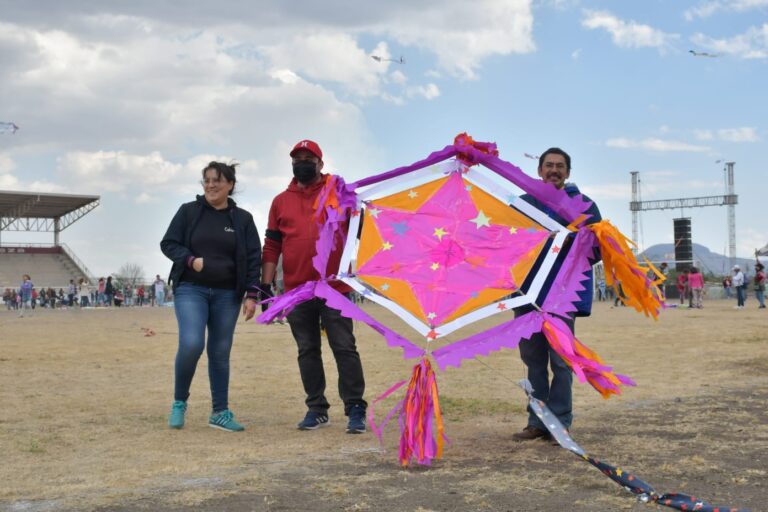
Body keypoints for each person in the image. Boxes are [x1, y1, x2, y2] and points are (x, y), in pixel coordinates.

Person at [261, 139, 367, 434]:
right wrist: (265, 286)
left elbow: (363, 228)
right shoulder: (280, 202)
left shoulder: (339, 193)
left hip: (336, 288)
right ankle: (316, 408)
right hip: (297, 290)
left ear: (320, 163)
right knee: (307, 349)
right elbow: (271, 246)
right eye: (298, 158)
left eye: (309, 158)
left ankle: (355, 407)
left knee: (344, 347)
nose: (302, 162)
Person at [160, 161, 263, 432]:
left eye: (217, 180)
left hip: (227, 293)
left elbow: (254, 259)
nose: (211, 185)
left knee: (219, 351)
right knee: (192, 343)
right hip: (190, 289)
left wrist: (252, 294)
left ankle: (220, 412)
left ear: (230, 184)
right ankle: (179, 402)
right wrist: (190, 259)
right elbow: (168, 243)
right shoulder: (188, 212)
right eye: (206, 180)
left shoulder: (243, 220)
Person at [512, 147, 602, 442]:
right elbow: (505, 244)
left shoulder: (584, 205)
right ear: (539, 171)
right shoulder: (522, 205)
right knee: (532, 359)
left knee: (561, 360)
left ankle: (560, 421)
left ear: (568, 172)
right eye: (548, 165)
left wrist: (565, 244)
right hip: (527, 295)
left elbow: (599, 248)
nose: (554, 170)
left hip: (562, 297)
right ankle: (537, 421)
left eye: (560, 166)